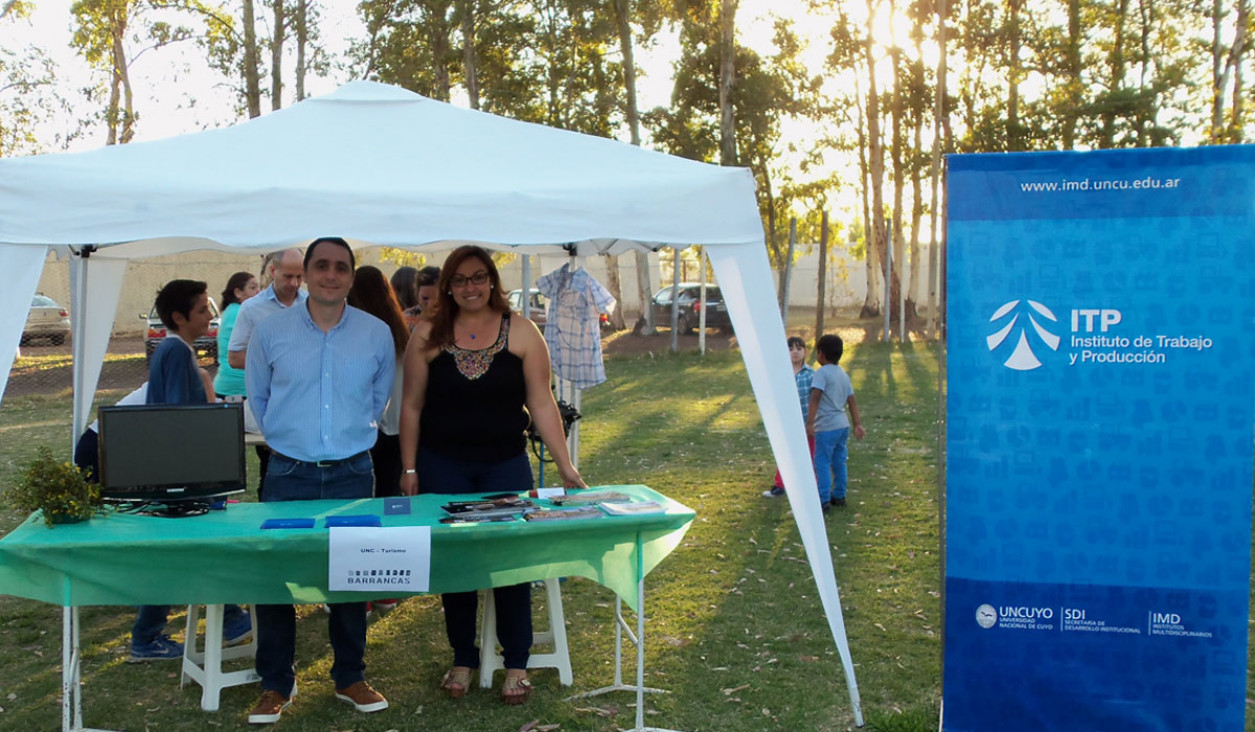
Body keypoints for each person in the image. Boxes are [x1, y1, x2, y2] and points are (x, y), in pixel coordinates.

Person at [398, 245, 585, 705]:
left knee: (511, 564)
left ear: (492, 281)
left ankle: (516, 662)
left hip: (506, 465)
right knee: (457, 565)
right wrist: (408, 467)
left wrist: (565, 464)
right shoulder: (426, 334)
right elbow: (411, 405)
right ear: (447, 286)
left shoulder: (522, 332)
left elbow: (540, 402)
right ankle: (463, 657)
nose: (470, 287)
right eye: (460, 280)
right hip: (443, 466)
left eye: (478, 277)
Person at [244, 237, 394, 724]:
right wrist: (296, 440)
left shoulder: (376, 334)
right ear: (304, 273)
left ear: (352, 276)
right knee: (276, 582)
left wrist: (342, 440)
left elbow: (378, 400)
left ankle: (351, 676)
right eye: (322, 266)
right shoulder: (270, 332)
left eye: (342, 268)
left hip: (353, 472)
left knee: (352, 579)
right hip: (288, 472)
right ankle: (274, 684)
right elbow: (260, 399)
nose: (332, 275)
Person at [131, 280, 251, 662]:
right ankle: (146, 638)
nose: (209, 317)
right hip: (182, 477)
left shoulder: (177, 352)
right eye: (202, 310)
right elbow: (178, 421)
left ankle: (230, 617)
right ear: (179, 317)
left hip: (182, 475)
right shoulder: (175, 352)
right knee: (179, 555)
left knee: (196, 550)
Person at [227, 248, 306, 498]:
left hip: (306, 403)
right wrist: (275, 363)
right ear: (273, 272)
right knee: (273, 472)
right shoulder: (252, 308)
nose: (294, 283)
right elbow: (234, 357)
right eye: (288, 277)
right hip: (271, 404)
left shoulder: (311, 303)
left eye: (299, 277)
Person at [346, 266, 409, 498]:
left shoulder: (358, 332)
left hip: (367, 425)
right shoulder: (401, 331)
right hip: (397, 425)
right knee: (389, 493)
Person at [806, 334, 865, 510]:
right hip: (842, 425)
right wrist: (858, 425)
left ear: (821, 354)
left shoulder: (821, 373)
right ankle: (839, 495)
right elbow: (852, 401)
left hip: (826, 427)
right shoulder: (843, 374)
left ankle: (823, 499)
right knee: (839, 461)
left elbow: (815, 398)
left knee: (822, 462)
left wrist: (810, 423)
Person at [764, 336, 815, 498]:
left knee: (810, 454)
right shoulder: (781, 374)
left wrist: (812, 422)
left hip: (807, 422)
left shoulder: (811, 374)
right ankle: (781, 484)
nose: (795, 352)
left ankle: (810, 486)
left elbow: (815, 399)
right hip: (787, 423)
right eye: (791, 349)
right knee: (785, 454)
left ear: (805, 351)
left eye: (798, 349)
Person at [212, 271, 260, 399]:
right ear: (238, 292)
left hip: (228, 385)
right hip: (238, 388)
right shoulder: (240, 312)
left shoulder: (231, 311)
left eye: (258, 287)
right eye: (253, 288)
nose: (258, 292)